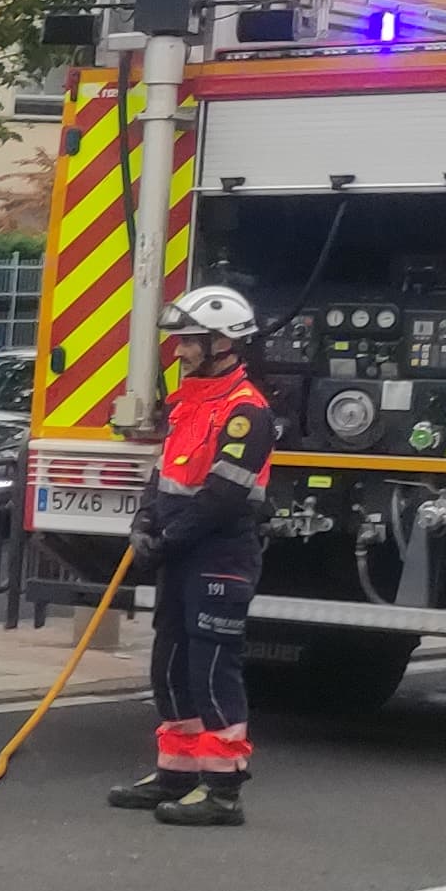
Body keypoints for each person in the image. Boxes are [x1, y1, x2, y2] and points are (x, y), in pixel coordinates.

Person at [110, 284, 276, 827]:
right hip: (182, 553)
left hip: (221, 555)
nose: (179, 351)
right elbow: (165, 477)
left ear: (223, 343)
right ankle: (176, 774)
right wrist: (143, 522)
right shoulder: (189, 405)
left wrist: (168, 538)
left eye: (189, 342)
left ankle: (223, 792)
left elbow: (224, 496)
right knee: (170, 666)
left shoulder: (246, 414)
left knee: (211, 671)